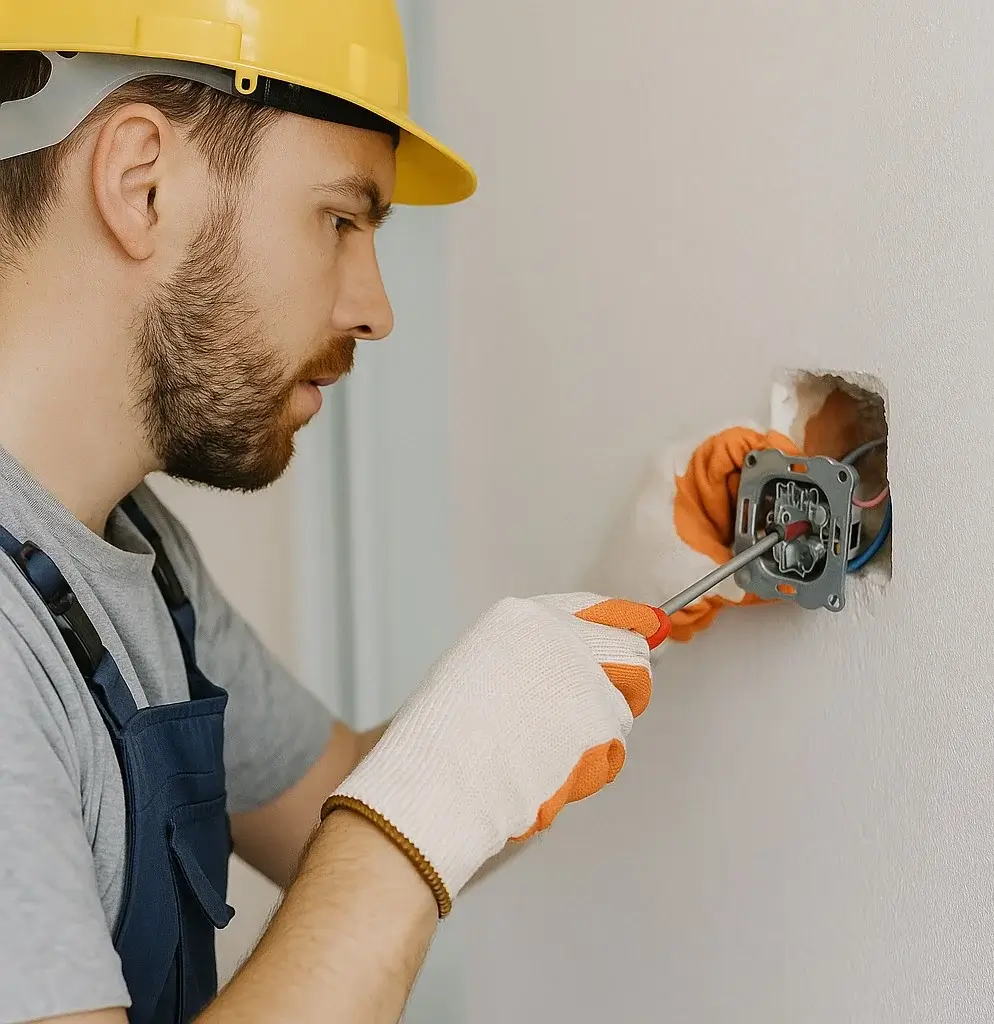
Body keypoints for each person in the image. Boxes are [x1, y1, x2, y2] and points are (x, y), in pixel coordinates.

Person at [0, 5, 760, 1023]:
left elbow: (340, 812)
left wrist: (624, 597)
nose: (375, 307)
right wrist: (404, 824)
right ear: (144, 182)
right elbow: (378, 840)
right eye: (341, 219)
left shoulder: (123, 550)